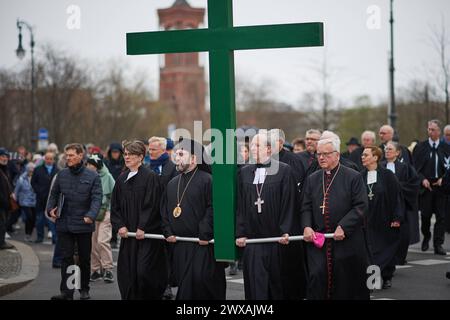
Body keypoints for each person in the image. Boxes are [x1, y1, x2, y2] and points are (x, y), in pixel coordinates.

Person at [302, 137, 369, 300]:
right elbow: (305, 206)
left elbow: (361, 206)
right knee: (318, 275)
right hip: (320, 240)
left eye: (326, 154)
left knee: (344, 280)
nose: (321, 158)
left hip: (346, 240)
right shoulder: (313, 178)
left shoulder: (353, 176)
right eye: (319, 154)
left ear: (337, 155)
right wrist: (306, 226)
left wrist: (344, 226)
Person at [161, 138, 226, 300]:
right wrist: (167, 231)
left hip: (202, 245)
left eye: (181, 154)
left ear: (194, 158)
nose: (177, 157)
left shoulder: (208, 180)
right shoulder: (172, 183)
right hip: (180, 244)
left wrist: (204, 232)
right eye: (176, 154)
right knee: (185, 284)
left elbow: (213, 208)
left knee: (200, 283)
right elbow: (164, 211)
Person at [236, 132, 295, 300]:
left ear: (269, 149)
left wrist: (286, 230)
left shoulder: (283, 171)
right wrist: (240, 232)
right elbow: (240, 205)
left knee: (276, 285)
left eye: (257, 145)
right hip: (253, 241)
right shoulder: (244, 172)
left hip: (276, 240)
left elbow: (288, 202)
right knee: (255, 287)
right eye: (252, 146)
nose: (252, 149)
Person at [111, 140, 167, 300]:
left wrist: (143, 226)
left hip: (146, 237)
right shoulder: (122, 179)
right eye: (125, 154)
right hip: (128, 237)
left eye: (131, 155)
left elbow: (152, 205)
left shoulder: (150, 178)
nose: (126, 157)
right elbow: (115, 207)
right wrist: (119, 226)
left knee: (144, 272)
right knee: (128, 273)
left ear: (141, 157)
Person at [47, 143, 102, 300]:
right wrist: (51, 209)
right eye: (67, 155)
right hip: (64, 223)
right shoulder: (61, 175)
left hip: (84, 224)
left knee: (84, 259)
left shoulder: (93, 176)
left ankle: (84, 289)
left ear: (80, 156)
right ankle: (67, 292)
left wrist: (91, 214)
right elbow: (53, 195)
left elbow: (97, 198)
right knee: (67, 258)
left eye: (71, 155)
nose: (68, 158)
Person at [269, 129, 307, 300]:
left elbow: (296, 190)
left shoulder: (294, 160)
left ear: (281, 143)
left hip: (290, 216)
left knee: (290, 263)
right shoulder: (265, 161)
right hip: (269, 217)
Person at [362, 146, 403, 289]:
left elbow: (396, 197)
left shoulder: (387, 175)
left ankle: (386, 276)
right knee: (370, 251)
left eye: (366, 155)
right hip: (368, 220)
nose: (363, 157)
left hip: (385, 219)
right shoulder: (360, 176)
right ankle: (373, 280)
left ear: (375, 157)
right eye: (363, 155)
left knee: (385, 249)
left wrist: (397, 217)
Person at [147, 136, 178, 299]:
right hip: (149, 217)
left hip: (167, 216)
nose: (150, 152)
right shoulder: (146, 167)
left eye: (153, 149)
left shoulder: (172, 167)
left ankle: (167, 285)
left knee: (167, 254)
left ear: (163, 150)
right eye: (149, 149)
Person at [413, 120, 450, 255]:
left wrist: (444, 178)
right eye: (429, 129)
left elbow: (449, 167)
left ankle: (438, 244)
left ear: (439, 132)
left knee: (441, 217)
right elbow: (415, 167)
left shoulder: (446, 148)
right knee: (426, 216)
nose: (430, 132)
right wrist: (422, 179)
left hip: (441, 186)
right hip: (426, 186)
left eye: (433, 129)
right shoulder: (420, 147)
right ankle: (426, 236)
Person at [381, 141, 421, 265]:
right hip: (383, 206)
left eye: (390, 149)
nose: (387, 151)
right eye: (386, 149)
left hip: (400, 206)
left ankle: (399, 257)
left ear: (398, 152)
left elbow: (414, 185)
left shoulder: (405, 167)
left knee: (401, 234)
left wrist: (396, 187)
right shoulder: (380, 166)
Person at [86, 154, 115, 284]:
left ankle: (108, 269)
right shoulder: (86, 176)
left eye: (92, 164)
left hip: (106, 211)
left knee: (102, 240)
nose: (89, 166)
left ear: (97, 166)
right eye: (88, 164)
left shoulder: (108, 177)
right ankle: (95, 270)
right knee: (93, 242)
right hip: (91, 212)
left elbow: (115, 195)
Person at [31, 151, 59, 244]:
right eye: (47, 158)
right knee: (39, 219)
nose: (49, 160)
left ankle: (55, 238)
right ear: (44, 159)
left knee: (52, 220)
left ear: (54, 160)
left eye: (51, 159)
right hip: (40, 198)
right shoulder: (38, 169)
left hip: (53, 200)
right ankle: (40, 237)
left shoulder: (58, 170)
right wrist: (38, 191)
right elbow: (33, 182)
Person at [14, 162, 37, 242]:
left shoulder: (36, 178)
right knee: (29, 217)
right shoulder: (21, 178)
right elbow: (16, 190)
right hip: (24, 201)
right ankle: (27, 234)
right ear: (27, 170)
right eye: (30, 170)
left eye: (32, 170)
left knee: (33, 219)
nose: (31, 172)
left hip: (34, 201)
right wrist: (15, 199)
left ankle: (29, 234)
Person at [0, 148, 14, 250]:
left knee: (3, 222)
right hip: (1, 202)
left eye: (6, 156)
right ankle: (1, 243)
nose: (5, 158)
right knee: (2, 223)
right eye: (2, 156)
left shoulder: (5, 168)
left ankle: (2, 241)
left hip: (5, 201)